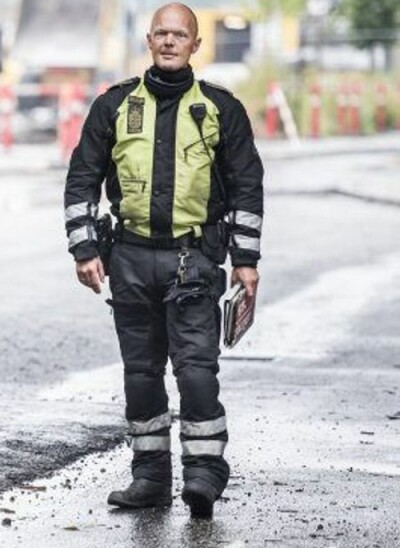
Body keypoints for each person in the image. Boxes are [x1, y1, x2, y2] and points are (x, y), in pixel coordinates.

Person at [64, 2, 263, 519]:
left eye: (181, 35)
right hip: (128, 257)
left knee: (196, 371)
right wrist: (85, 248)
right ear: (149, 41)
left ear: (196, 45)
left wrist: (246, 261)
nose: (170, 41)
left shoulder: (222, 108)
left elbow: (246, 187)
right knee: (141, 374)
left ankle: (204, 474)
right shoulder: (113, 105)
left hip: (193, 259)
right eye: (162, 33)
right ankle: (150, 479)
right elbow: (82, 179)